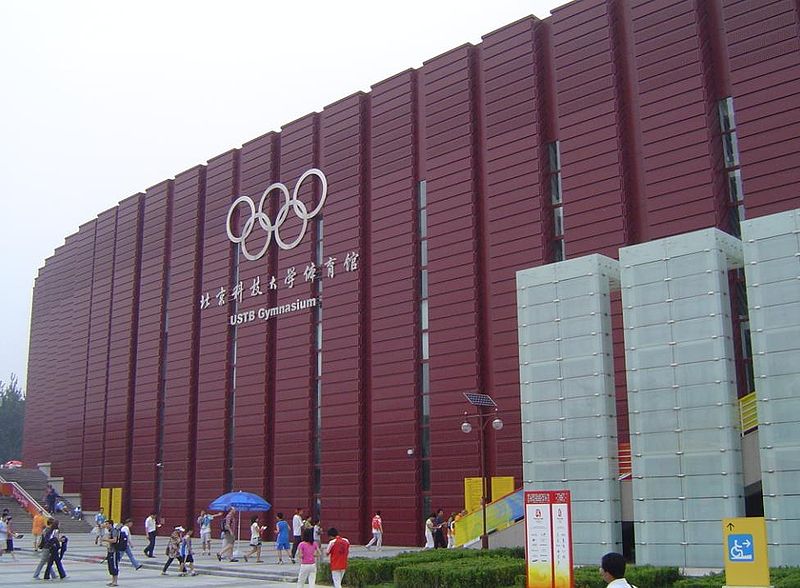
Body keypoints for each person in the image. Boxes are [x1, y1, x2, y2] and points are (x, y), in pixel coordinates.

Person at [102, 519, 119, 587]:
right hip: (110, 551)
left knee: (114, 566)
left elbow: (114, 540)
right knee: (111, 566)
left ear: (110, 524)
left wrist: (105, 539)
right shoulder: (110, 531)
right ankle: (113, 581)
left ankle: (115, 582)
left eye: (107, 524)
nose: (106, 525)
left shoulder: (114, 531)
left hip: (114, 551)